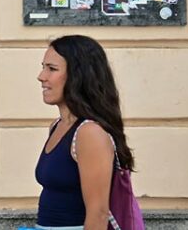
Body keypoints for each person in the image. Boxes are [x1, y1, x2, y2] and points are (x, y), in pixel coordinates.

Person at [35, 35, 135, 230]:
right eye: (43, 67)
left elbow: (98, 213)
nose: (41, 76)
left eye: (52, 69)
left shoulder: (89, 133)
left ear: (78, 76)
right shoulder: (57, 126)